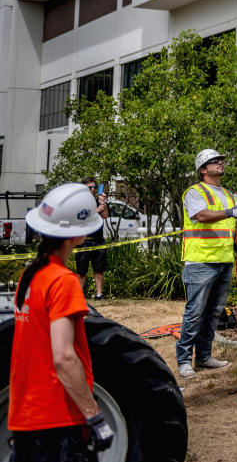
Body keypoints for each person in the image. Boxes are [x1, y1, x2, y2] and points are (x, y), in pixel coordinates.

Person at [10, 182, 115, 461]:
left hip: (25, 417)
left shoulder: (29, 276)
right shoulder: (63, 281)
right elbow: (64, 357)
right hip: (58, 421)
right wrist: (94, 416)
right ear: (78, 234)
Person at [177, 148, 237, 380]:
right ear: (203, 169)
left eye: (220, 160)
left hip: (224, 260)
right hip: (200, 262)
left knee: (214, 313)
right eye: (214, 161)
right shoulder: (194, 192)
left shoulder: (227, 194)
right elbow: (202, 216)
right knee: (195, 312)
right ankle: (184, 360)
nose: (220, 163)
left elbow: (231, 223)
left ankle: (204, 357)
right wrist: (229, 212)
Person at [75, 178, 110, 300]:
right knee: (82, 270)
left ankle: (99, 294)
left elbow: (105, 216)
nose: (93, 189)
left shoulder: (97, 201)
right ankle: (79, 296)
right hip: (84, 240)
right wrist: (97, 210)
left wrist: (102, 203)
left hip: (98, 239)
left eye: (94, 187)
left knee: (99, 269)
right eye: (90, 187)